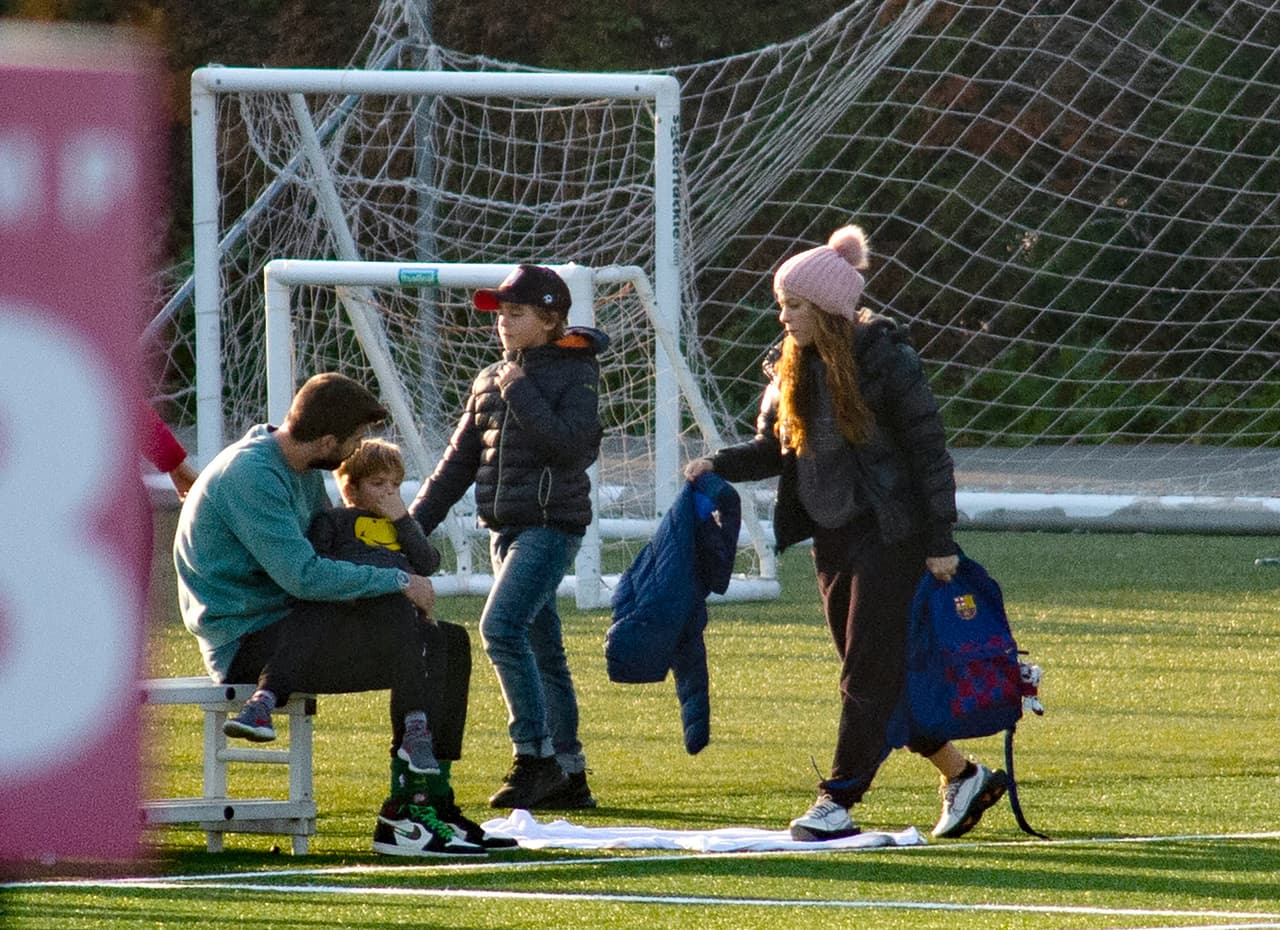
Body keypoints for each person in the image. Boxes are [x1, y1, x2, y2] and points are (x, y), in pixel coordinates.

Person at [684, 225, 1009, 842]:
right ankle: (964, 775)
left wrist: (939, 540)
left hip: (892, 535)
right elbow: (771, 449)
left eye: (794, 306)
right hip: (830, 540)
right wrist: (716, 464)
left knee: (865, 674)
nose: (784, 318)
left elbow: (929, 453)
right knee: (880, 675)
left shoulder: (885, 360)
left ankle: (837, 801)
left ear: (829, 309)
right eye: (781, 305)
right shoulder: (788, 367)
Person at [173, 372, 484, 857]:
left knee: (448, 641)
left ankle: (431, 802)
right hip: (249, 643)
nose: (358, 448)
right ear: (326, 441)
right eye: (354, 438)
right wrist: (401, 582)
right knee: (420, 635)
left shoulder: (296, 466)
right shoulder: (251, 476)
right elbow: (303, 576)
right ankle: (405, 816)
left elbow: (330, 561)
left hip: (299, 625)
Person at [410, 264, 608, 811]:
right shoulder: (490, 379)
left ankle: (534, 759)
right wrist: (408, 530)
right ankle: (569, 774)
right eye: (500, 314)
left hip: (550, 527)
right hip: (506, 529)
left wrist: (518, 389)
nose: (503, 323)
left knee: (499, 627)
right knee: (544, 650)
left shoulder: (576, 373)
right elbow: (455, 466)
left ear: (550, 319)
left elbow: (571, 448)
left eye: (515, 314)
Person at [308, 437, 515, 849]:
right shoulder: (335, 522)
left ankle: (436, 795)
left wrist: (403, 519)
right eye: (378, 484)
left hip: (405, 627)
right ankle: (405, 804)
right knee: (426, 642)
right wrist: (397, 584)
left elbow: (427, 561)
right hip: (358, 628)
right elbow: (323, 569)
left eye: (394, 485)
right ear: (350, 487)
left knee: (452, 640)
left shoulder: (399, 526)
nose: (389, 493)